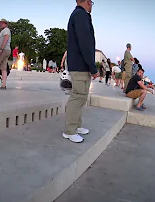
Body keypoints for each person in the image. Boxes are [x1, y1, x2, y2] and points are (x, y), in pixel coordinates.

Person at [63, 0, 98, 143]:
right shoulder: (80, 15)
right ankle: (69, 130)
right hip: (80, 65)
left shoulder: (79, 15)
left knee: (81, 97)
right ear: (88, 2)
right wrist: (92, 67)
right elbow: (86, 43)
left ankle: (76, 126)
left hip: (80, 64)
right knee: (77, 97)